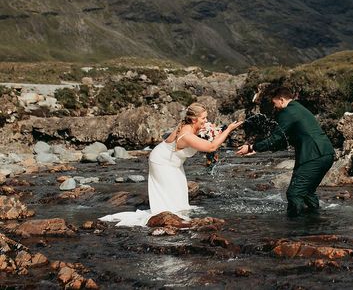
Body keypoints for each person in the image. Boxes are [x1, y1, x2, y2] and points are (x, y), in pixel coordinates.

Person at [100, 102, 242, 226]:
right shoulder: (186, 135)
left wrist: (209, 131)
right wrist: (228, 129)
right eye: (203, 118)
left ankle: (176, 218)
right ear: (193, 119)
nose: (206, 121)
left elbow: (205, 138)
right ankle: (167, 219)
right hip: (161, 162)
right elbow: (211, 147)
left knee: (179, 194)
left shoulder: (190, 126)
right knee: (170, 197)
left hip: (173, 163)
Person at [237, 87, 334, 217]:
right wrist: (257, 149)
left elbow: (276, 137)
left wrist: (251, 147)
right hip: (326, 153)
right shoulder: (298, 108)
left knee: (294, 193)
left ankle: (295, 229)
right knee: (307, 192)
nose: (275, 106)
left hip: (313, 156)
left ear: (281, 100)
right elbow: (283, 141)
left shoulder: (287, 112)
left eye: (274, 103)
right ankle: (315, 224)